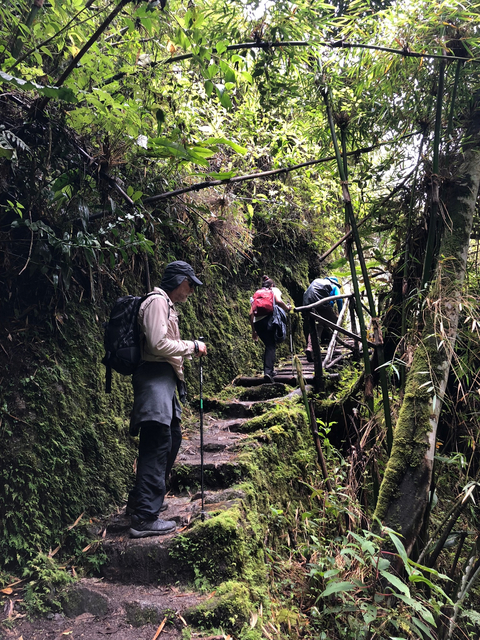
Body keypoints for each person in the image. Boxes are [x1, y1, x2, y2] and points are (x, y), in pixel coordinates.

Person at [127, 260, 207, 538]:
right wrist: (192, 346)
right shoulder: (158, 302)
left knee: (170, 437)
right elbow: (158, 344)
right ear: (178, 280)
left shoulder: (165, 305)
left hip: (163, 381)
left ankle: (143, 503)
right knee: (157, 443)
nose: (191, 291)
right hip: (154, 379)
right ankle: (144, 518)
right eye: (189, 285)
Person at [249, 275, 291, 383]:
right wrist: (287, 308)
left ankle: (269, 371)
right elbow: (279, 301)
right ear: (272, 285)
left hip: (258, 323)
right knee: (271, 346)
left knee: (269, 345)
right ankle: (268, 372)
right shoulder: (274, 290)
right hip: (269, 321)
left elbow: (250, 314)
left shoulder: (257, 294)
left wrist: (254, 331)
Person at [303, 276, 343, 361]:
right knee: (335, 323)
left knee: (317, 326)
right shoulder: (333, 285)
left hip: (307, 304)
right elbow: (339, 299)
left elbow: (330, 302)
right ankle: (333, 348)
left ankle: (310, 348)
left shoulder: (317, 281)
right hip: (319, 303)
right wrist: (340, 312)